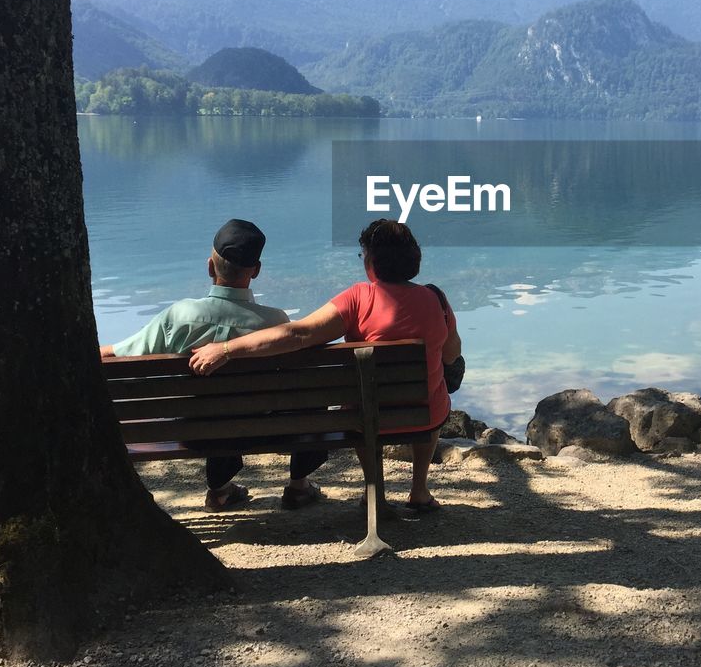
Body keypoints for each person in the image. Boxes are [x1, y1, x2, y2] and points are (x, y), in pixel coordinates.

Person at [190, 219, 460, 514]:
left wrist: (227, 348)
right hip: (424, 415)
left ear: (371, 262)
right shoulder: (437, 299)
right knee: (438, 389)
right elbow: (450, 356)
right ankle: (419, 491)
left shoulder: (359, 298)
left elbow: (298, 334)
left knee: (366, 405)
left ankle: (374, 493)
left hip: (368, 419)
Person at [101, 218, 327, 513]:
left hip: (194, 432)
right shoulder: (274, 323)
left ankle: (220, 491)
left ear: (210, 266)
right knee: (311, 400)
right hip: (264, 428)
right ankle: (298, 486)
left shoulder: (179, 316)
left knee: (212, 403)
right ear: (256, 271)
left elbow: (120, 354)